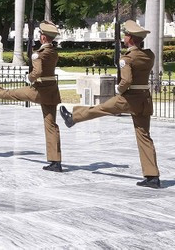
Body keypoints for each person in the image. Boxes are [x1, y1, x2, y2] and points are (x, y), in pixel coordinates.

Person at [60, 20, 161, 188]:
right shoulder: (149, 55)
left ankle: (73, 118)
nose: (124, 37)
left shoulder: (127, 58)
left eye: (126, 35)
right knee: (144, 136)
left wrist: (119, 88)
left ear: (131, 38)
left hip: (128, 99)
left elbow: (127, 80)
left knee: (101, 108)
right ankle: (152, 176)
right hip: (144, 98)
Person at [0, 21, 63, 172]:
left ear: (42, 38)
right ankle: (56, 161)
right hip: (51, 91)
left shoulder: (39, 54)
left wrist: (29, 78)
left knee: (11, 94)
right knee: (51, 125)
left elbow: (38, 72)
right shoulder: (53, 52)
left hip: (38, 91)